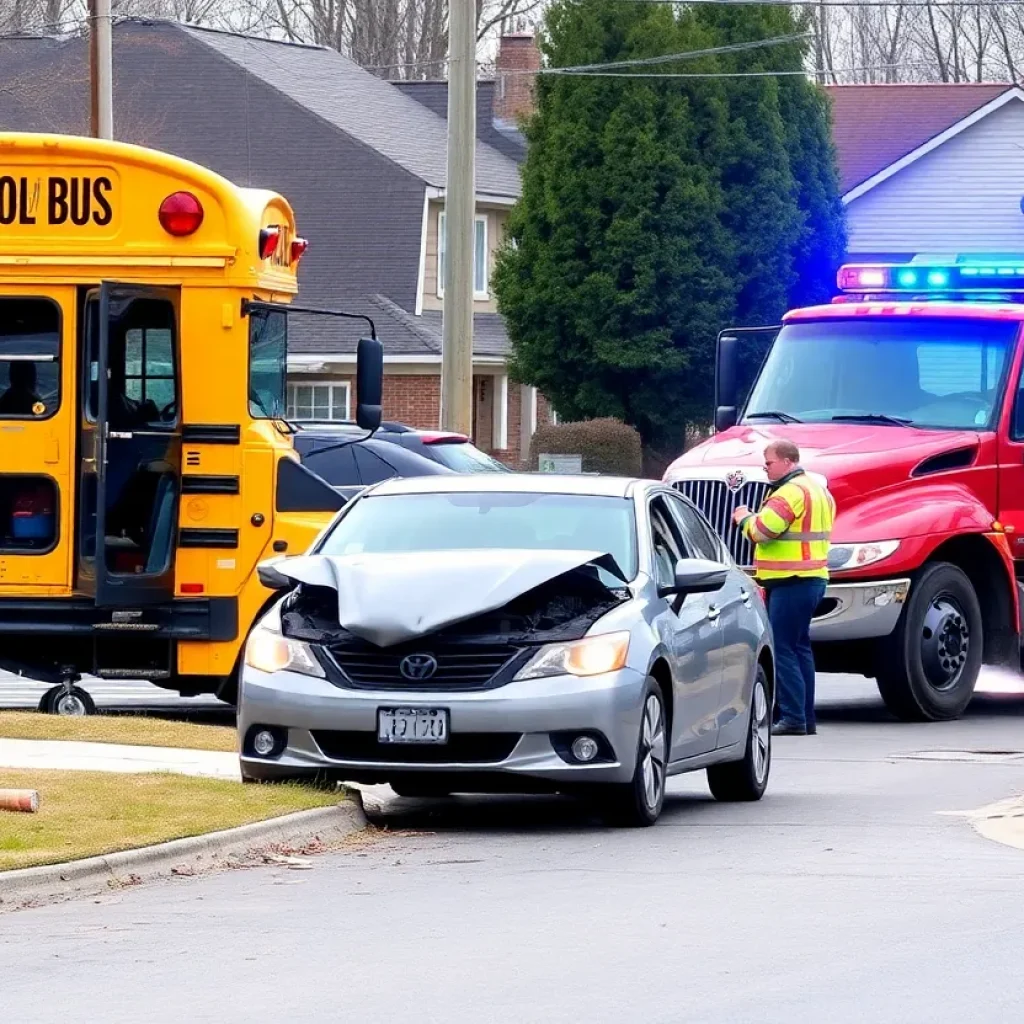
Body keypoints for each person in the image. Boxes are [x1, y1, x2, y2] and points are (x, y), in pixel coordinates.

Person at [732, 440, 835, 736]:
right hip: (812, 578)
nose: (766, 469)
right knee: (800, 647)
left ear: (788, 462)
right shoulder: (817, 489)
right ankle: (805, 717)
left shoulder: (789, 493)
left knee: (783, 648)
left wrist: (743, 518)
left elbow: (762, 532)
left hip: (791, 580)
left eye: (769, 463)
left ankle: (792, 718)